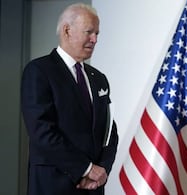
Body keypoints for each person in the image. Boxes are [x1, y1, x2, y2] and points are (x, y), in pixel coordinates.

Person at [21, 3, 118, 195]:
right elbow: (42, 131)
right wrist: (86, 169)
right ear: (67, 30)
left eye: (97, 33)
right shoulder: (39, 71)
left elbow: (109, 131)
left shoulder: (99, 78)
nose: (95, 39)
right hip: (53, 185)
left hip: (93, 188)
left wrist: (102, 170)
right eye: (89, 32)